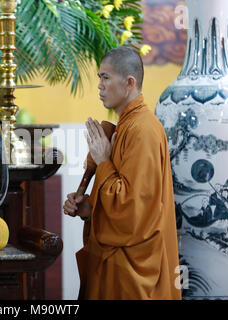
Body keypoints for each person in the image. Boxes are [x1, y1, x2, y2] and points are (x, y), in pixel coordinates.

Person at [63, 46, 181, 300]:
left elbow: (133, 212)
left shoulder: (143, 130)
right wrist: (90, 208)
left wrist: (104, 160)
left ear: (129, 82)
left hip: (133, 273)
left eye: (105, 77)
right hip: (116, 265)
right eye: (99, 78)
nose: (100, 86)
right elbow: (121, 196)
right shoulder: (126, 127)